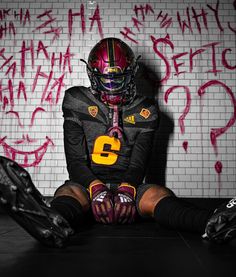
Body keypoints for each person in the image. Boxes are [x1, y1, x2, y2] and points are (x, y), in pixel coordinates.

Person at [0, 37, 235, 248]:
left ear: (131, 74)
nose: (113, 87)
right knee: (69, 192)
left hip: (129, 188)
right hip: (87, 186)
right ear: (93, 76)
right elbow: (75, 161)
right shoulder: (76, 100)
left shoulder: (146, 110)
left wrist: (126, 189)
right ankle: (49, 220)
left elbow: (138, 164)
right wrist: (96, 188)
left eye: (119, 79)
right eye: (106, 80)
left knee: (157, 194)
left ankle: (213, 222)